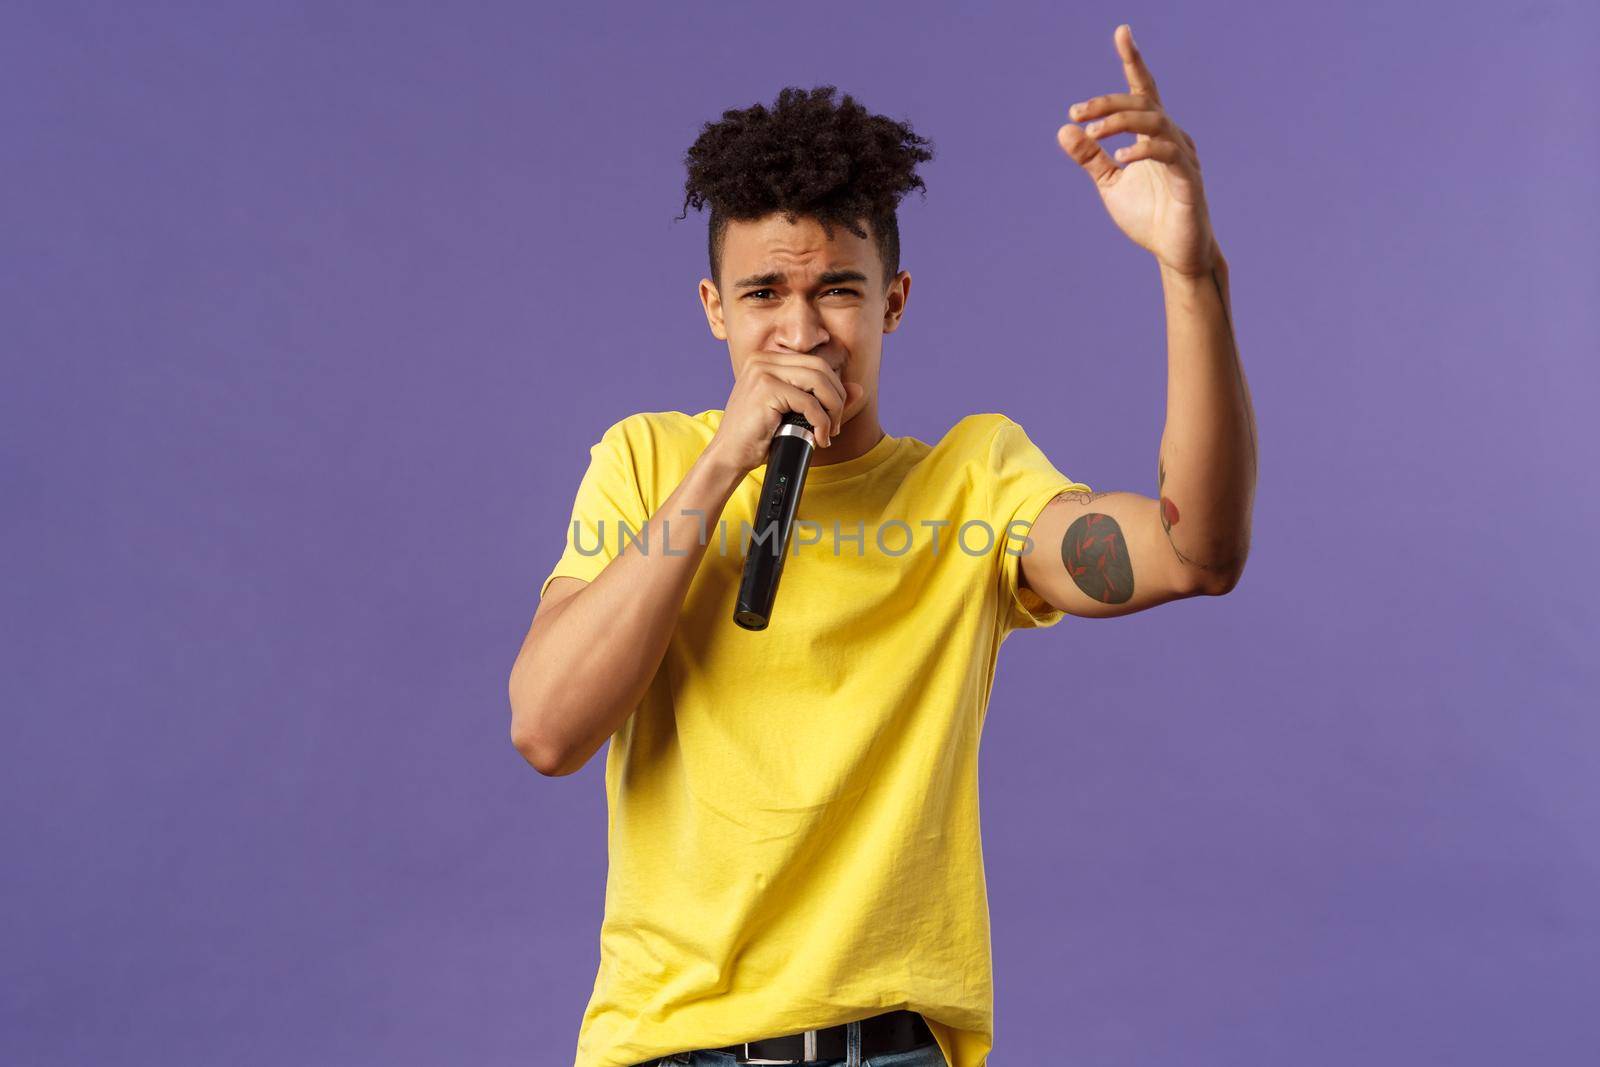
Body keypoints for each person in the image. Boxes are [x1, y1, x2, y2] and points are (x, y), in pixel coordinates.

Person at [509, 24, 1257, 1067]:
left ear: (892, 302)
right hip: (667, 1047)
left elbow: (1193, 553)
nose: (803, 329)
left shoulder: (970, 482)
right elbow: (545, 728)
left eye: (839, 290)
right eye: (765, 294)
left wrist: (1194, 275)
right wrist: (723, 465)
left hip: (895, 1049)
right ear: (713, 311)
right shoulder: (646, 463)